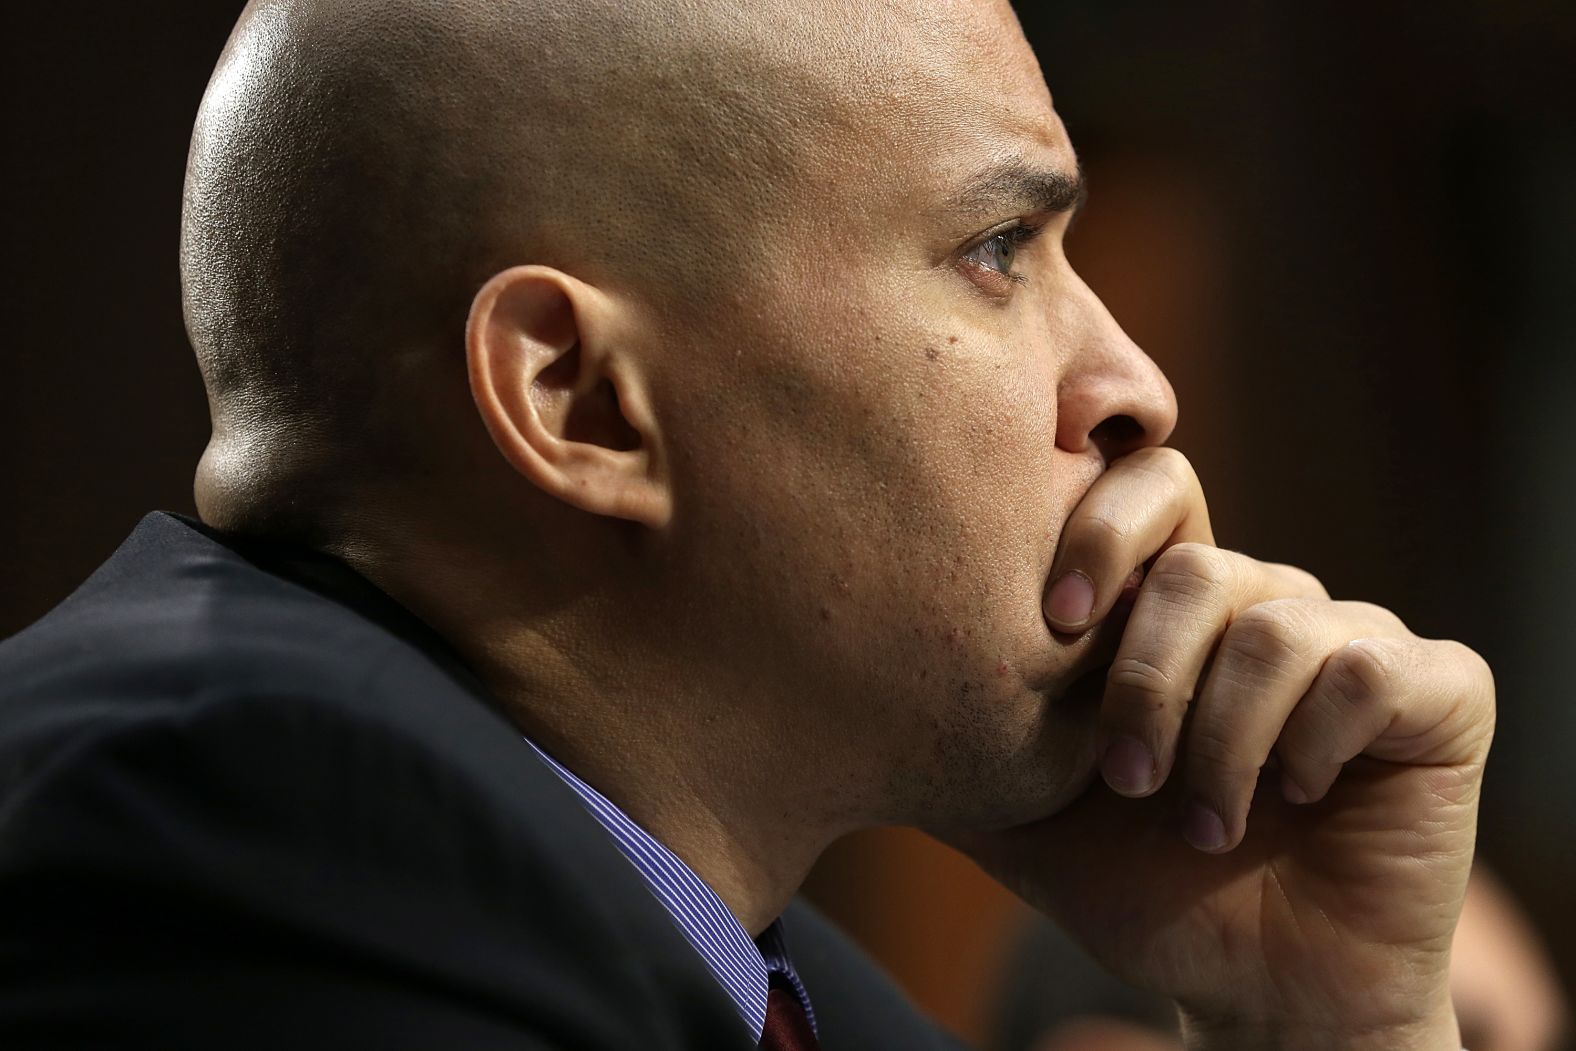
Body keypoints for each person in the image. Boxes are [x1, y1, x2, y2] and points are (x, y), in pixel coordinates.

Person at [0, 1, 1497, 1048]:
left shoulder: (777, 989)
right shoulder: (237, 835)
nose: (1135, 391)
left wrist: (1325, 1023)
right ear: (581, 401)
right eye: (997, 250)